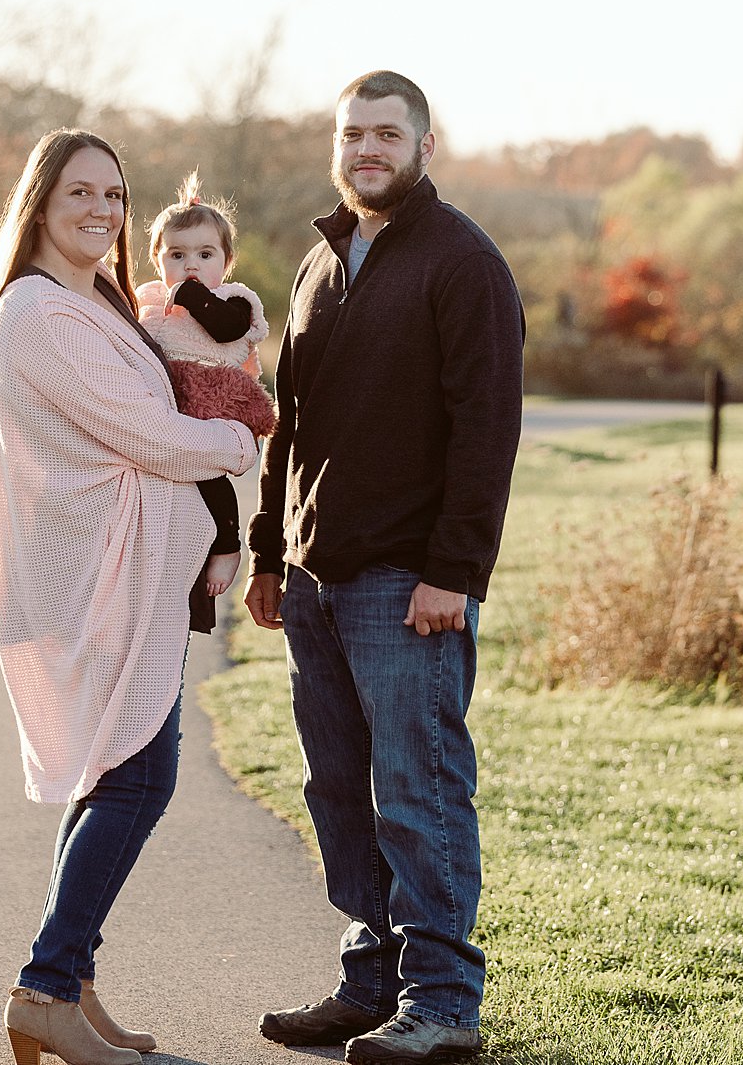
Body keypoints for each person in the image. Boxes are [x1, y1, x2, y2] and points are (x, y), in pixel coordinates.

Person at [244, 71, 525, 1064]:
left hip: (408, 583)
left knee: (418, 789)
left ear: (424, 143)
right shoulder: (321, 263)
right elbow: (290, 423)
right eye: (352, 132)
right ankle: (368, 981)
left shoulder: (462, 263)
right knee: (337, 791)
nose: (366, 148)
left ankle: (442, 1001)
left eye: (385, 133)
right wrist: (269, 550)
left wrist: (453, 571)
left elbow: (486, 431)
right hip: (316, 580)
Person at [0, 128, 259, 1065]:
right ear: (40, 202)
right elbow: (158, 435)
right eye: (82, 192)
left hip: (141, 578)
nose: (103, 210)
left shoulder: (98, 301)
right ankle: (46, 985)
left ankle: (68, 979)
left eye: (116, 195)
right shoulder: (38, 314)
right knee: (138, 775)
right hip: (102, 580)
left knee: (113, 773)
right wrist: (244, 441)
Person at [135, 170, 278, 602]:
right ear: (157, 258)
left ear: (226, 262)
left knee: (211, 477)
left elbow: (225, 329)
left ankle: (227, 545)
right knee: (171, 480)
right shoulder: (150, 303)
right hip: (167, 398)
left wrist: (192, 295)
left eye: (204, 254)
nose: (190, 265)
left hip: (214, 396)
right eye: (176, 255)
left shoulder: (233, 300)